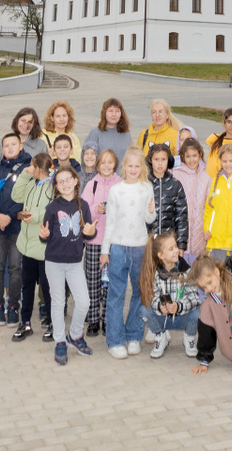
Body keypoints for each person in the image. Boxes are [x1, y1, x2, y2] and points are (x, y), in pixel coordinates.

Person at [39, 164, 96, 365]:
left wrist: (91, 232)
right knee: (58, 302)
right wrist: (43, 235)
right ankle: (60, 341)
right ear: (56, 186)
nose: (64, 184)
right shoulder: (52, 208)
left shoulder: (83, 206)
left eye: (68, 180)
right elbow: (45, 235)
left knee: (83, 302)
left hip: (74, 263)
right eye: (60, 182)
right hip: (54, 262)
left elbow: (89, 233)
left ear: (75, 181)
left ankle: (75, 335)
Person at [102, 147, 154, 358]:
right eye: (130, 165)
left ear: (142, 167)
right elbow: (110, 222)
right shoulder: (116, 190)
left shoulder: (147, 188)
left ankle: (134, 336)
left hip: (140, 247)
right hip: (118, 248)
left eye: (137, 166)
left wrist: (151, 211)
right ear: (123, 166)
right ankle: (115, 341)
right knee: (116, 295)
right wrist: (105, 251)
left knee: (139, 293)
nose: (133, 169)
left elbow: (149, 219)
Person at [0, 132, 31, 324]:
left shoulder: (28, 169)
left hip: (17, 227)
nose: (10, 148)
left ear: (21, 146)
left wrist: (10, 216)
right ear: (2, 150)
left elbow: (26, 197)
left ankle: (13, 305)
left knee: (15, 268)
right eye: (6, 145)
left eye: (13, 144)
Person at [8, 151, 55, 342]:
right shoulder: (31, 183)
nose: (29, 168)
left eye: (32, 166)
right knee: (26, 286)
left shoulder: (52, 187)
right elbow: (15, 196)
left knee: (47, 287)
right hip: (27, 246)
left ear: (39, 168)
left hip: (43, 247)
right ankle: (25, 322)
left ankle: (52, 323)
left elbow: (52, 211)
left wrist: (33, 216)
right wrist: (24, 175)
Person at [189, 256, 232, 373]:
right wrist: (204, 361)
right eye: (204, 287)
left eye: (209, 282)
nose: (208, 289)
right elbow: (206, 334)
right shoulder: (208, 306)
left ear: (216, 272)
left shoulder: (231, 280)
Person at [80, 147, 121, 338]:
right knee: (93, 282)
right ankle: (93, 319)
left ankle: (107, 319)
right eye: (103, 162)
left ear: (115, 165)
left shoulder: (120, 184)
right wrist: (97, 209)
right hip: (95, 241)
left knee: (111, 283)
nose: (106, 166)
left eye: (110, 162)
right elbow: (84, 210)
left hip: (113, 242)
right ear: (97, 165)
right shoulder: (92, 184)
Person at [142, 230, 201, 358]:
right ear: (160, 255)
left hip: (183, 316)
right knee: (144, 309)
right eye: (171, 249)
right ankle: (160, 336)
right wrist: (159, 306)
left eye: (176, 246)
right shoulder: (155, 273)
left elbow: (195, 298)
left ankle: (189, 337)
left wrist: (179, 306)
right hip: (163, 318)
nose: (176, 250)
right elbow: (152, 296)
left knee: (198, 312)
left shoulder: (186, 270)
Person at [143, 142, 189, 253]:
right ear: (150, 160)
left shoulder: (175, 185)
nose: (160, 163)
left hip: (169, 244)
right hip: (147, 242)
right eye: (156, 159)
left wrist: (181, 245)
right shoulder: (144, 184)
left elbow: (181, 218)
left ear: (169, 160)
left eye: (163, 159)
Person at [172, 138, 210, 260]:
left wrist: (208, 228)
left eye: (194, 155)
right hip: (180, 235)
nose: (191, 160)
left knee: (196, 269)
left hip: (199, 234)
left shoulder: (206, 178)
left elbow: (209, 206)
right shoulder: (176, 175)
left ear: (200, 154)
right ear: (182, 156)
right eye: (188, 156)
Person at [82, 99, 132, 176]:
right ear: (104, 113)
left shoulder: (126, 134)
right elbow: (86, 158)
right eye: (110, 111)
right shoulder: (95, 133)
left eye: (117, 111)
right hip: (101, 179)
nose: (114, 114)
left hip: (123, 179)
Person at [42, 101, 81, 167]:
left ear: (68, 117)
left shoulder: (73, 137)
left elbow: (79, 160)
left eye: (64, 116)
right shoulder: (43, 135)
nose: (62, 119)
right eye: (58, 116)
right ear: (52, 118)